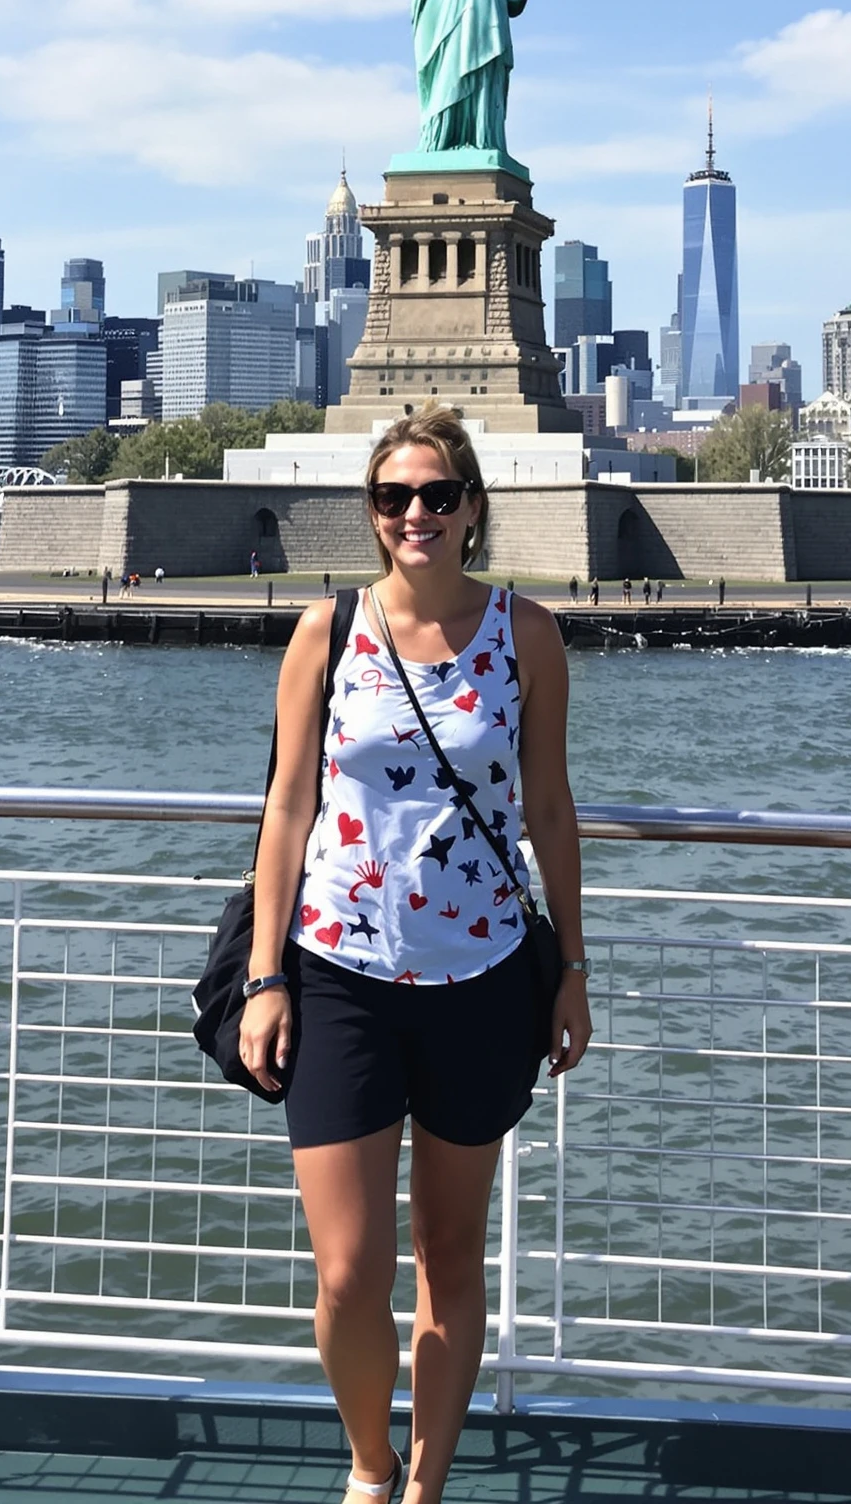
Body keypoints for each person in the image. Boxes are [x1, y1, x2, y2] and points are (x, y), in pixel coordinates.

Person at [238, 409, 589, 1504]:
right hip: (336, 971)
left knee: (448, 1254)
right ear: (373, 512)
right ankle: (369, 1460)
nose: (416, 515)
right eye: (394, 497)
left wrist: (572, 965)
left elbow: (549, 807)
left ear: (473, 506)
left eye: (437, 495)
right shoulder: (326, 631)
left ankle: (426, 1484)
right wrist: (262, 976)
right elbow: (285, 807)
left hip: (481, 980)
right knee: (347, 1274)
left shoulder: (525, 633)